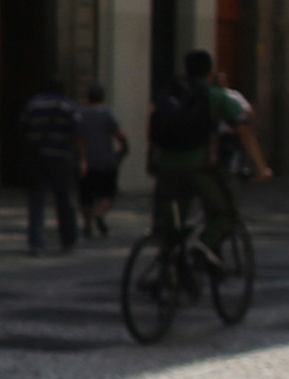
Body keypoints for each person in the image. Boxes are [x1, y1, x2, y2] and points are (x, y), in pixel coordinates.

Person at [146, 49, 266, 258]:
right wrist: (262, 168)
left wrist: (151, 159)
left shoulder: (171, 93)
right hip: (197, 165)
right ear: (210, 72)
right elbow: (244, 129)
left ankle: (167, 265)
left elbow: (152, 125)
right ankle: (204, 245)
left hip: (166, 165)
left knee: (173, 219)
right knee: (225, 212)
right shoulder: (214, 95)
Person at [18, 81, 85, 255]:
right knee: (64, 200)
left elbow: (22, 128)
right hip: (61, 158)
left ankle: (36, 243)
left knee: (36, 202)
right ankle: (68, 238)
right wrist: (81, 157)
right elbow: (77, 133)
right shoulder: (69, 106)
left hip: (37, 158)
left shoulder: (33, 104)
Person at [75, 84, 129, 240]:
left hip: (87, 160)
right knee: (109, 192)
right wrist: (124, 148)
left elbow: (76, 136)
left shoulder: (80, 114)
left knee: (86, 195)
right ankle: (100, 213)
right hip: (106, 160)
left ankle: (86, 225)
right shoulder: (108, 114)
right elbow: (119, 134)